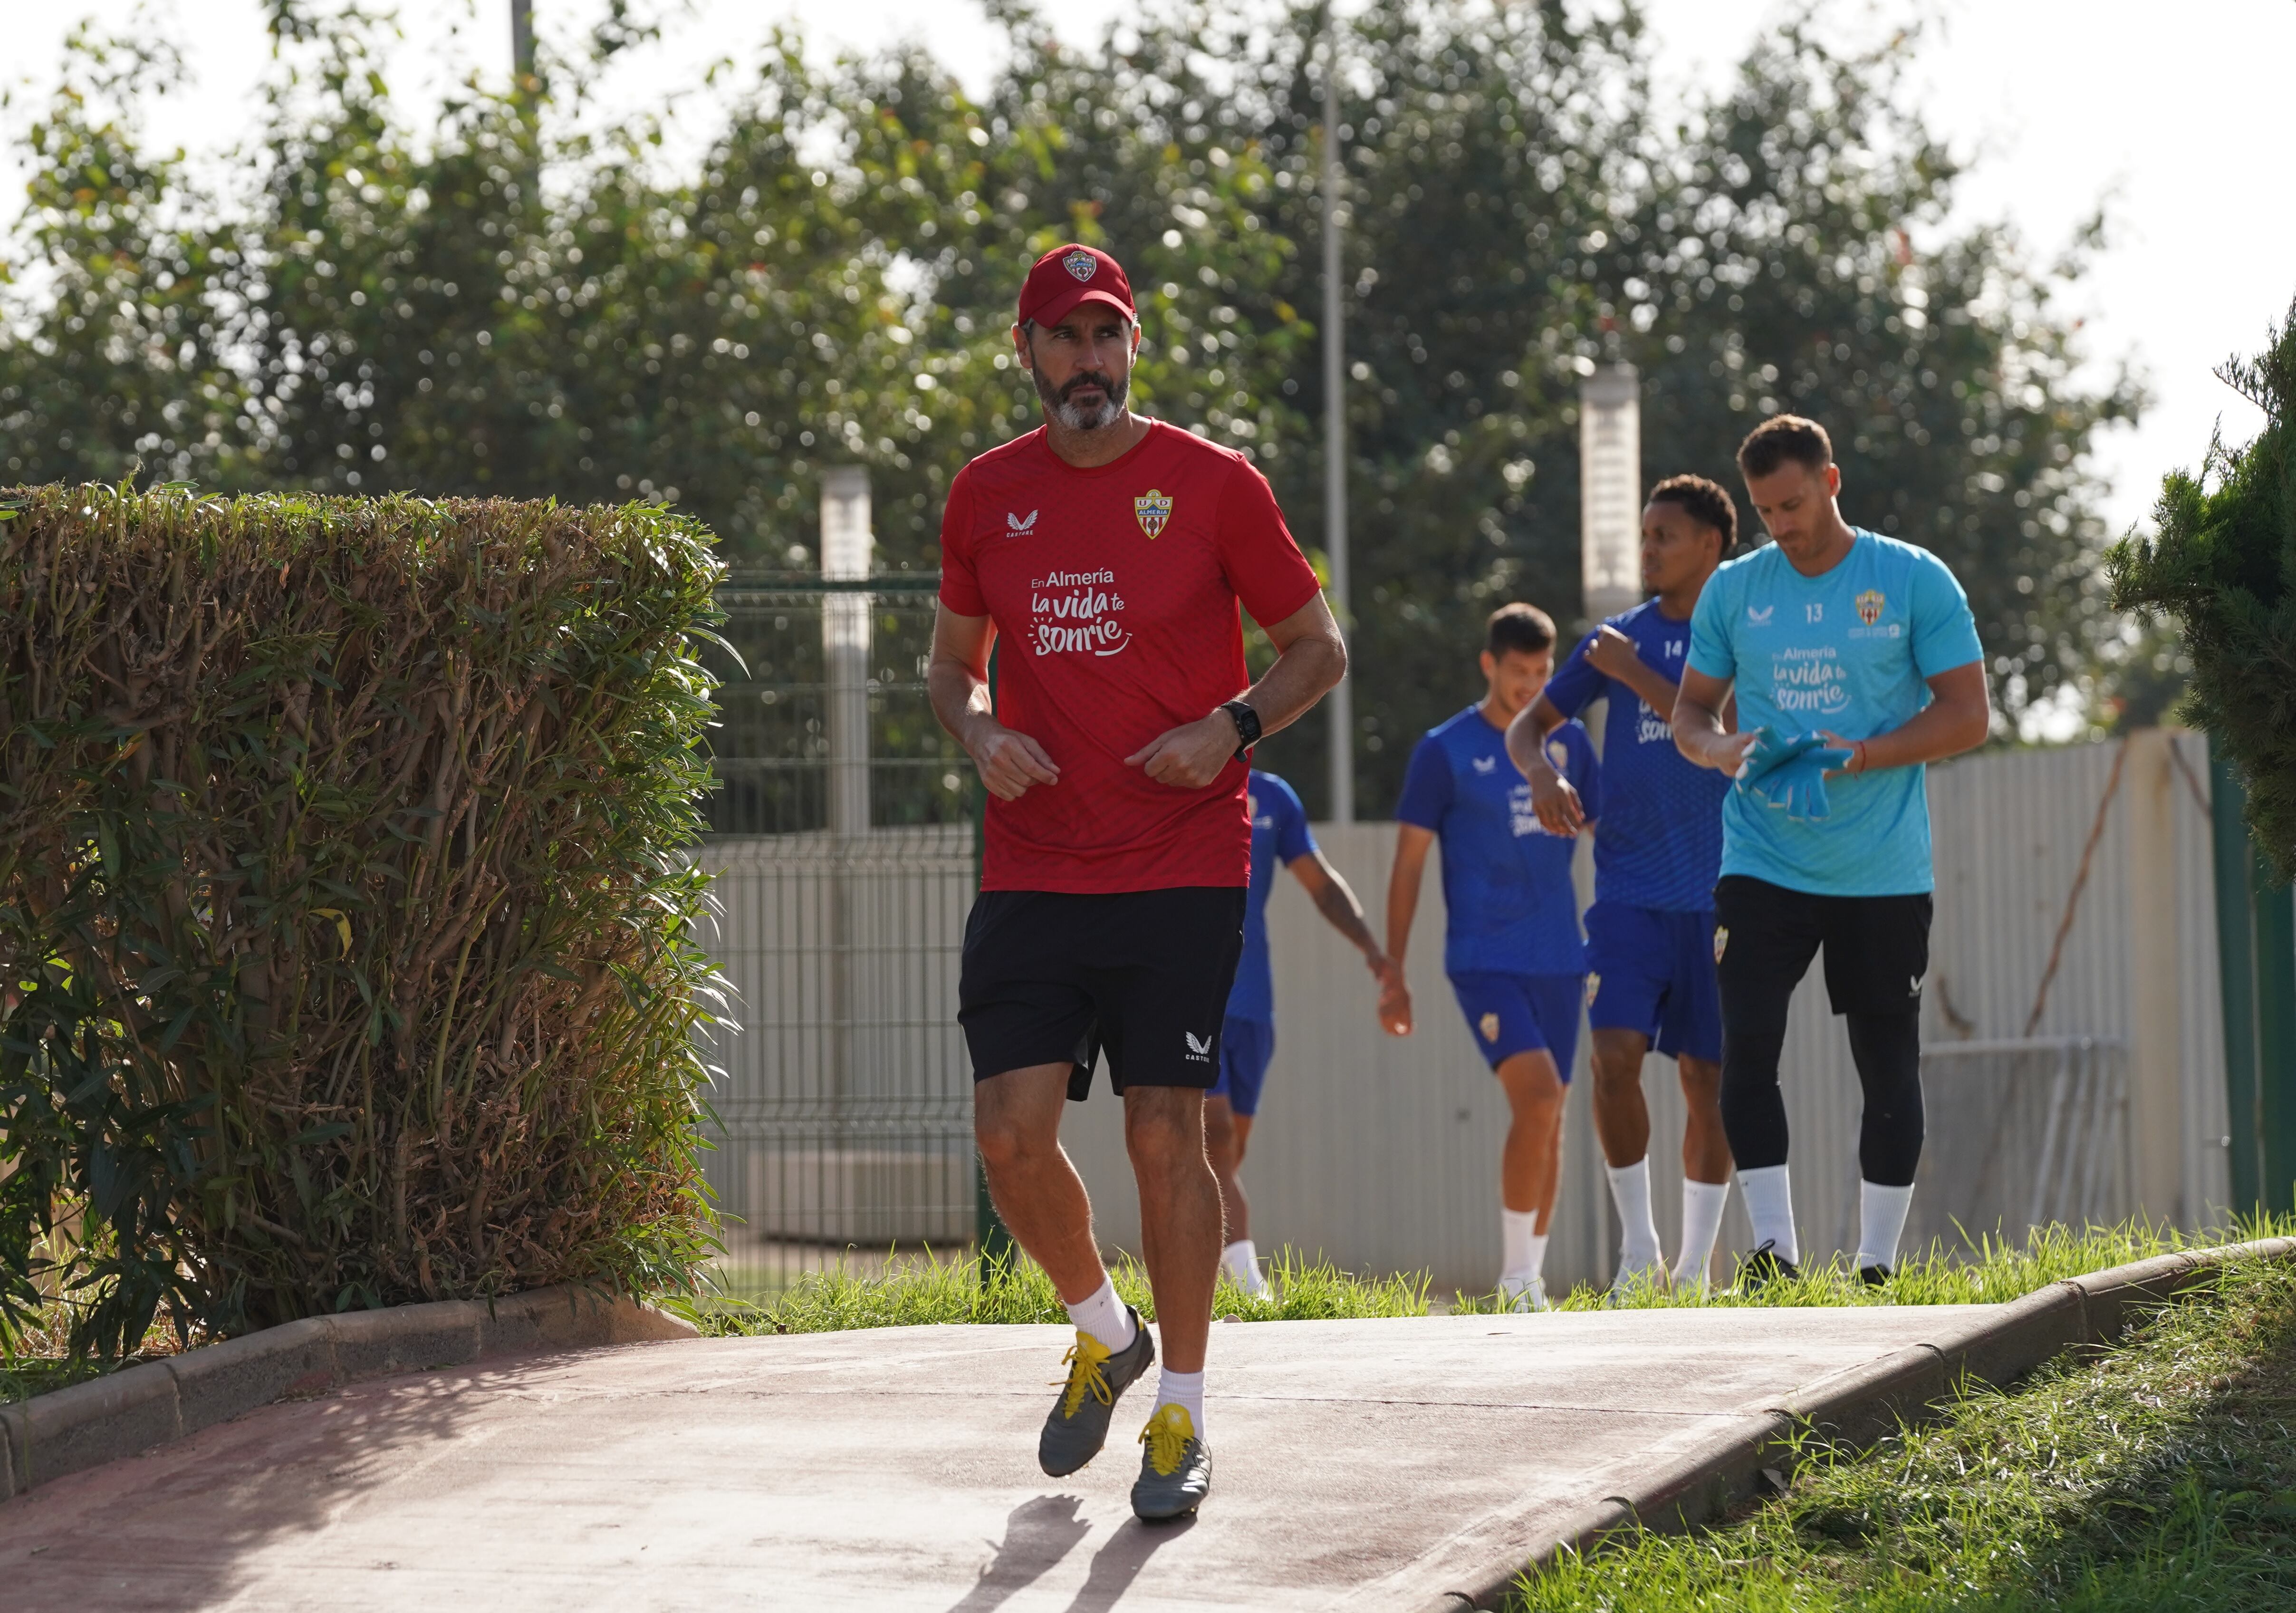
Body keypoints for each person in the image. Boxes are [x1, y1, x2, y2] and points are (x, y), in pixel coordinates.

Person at [927, 242, 1344, 1521]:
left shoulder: (1212, 485)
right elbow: (951, 668)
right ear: (1026, 354)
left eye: (1105, 334)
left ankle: (1181, 1417)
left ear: (1132, 346)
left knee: (1167, 1132)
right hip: (1038, 866)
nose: (1086, 361)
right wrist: (982, 731)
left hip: (1178, 859)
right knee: (1007, 1136)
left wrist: (1231, 725)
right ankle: (1106, 1335)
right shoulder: (984, 495)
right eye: (1062, 337)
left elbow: (1315, 649)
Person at [1671, 415, 1989, 1288]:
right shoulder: (1735, 592)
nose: (1783, 525)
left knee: (1886, 1061)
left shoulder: (1912, 577)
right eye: (1767, 510)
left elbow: (1968, 714)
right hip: (1763, 857)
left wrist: (1863, 752)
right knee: (1747, 1044)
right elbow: (1690, 712)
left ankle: (1877, 1265)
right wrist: (1715, 748)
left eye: (1795, 503)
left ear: (1832, 481)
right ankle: (1774, 1251)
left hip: (1882, 868)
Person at [1508, 476, 1739, 1297]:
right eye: (1642, 535)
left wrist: (1636, 674)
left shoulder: (1739, 628)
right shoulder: (1616, 637)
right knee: (1612, 1058)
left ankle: (1694, 1266)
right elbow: (1526, 724)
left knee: (1708, 1079)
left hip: (1721, 896)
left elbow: (1726, 725)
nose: (1645, 550)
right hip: (1628, 894)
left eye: (1662, 537)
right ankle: (1639, 1252)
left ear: (1710, 544)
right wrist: (1539, 773)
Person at [1380, 603, 1599, 1312]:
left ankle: (1528, 1281)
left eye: (1542, 672)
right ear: (1489, 665)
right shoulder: (1443, 751)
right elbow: (1408, 865)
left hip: (1561, 956)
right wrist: (1393, 968)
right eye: (1518, 672)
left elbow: (1609, 830)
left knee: (1553, 1111)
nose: (1530, 685)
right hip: (1482, 957)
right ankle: (1511, 1280)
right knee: (1536, 1094)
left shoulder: (1568, 745)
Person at [1209, 770, 1396, 1299]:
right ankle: (1248, 1285)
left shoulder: (1274, 796)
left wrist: (1372, 951)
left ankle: (1198, 1273)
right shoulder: (1176, 780)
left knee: (1229, 1150)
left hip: (1253, 1002)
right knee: (1214, 1138)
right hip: (1192, 993)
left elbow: (1319, 883)